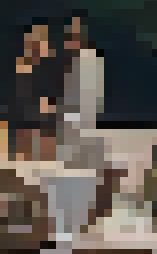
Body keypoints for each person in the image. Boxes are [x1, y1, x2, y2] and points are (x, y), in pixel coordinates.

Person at [11, 23, 64, 161]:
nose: (37, 44)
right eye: (33, 40)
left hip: (47, 124)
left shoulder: (54, 67)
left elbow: (56, 98)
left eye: (41, 40)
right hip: (25, 125)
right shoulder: (21, 68)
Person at [60, 13, 105, 166]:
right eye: (69, 36)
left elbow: (91, 100)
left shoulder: (91, 61)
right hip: (68, 124)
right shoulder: (66, 61)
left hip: (84, 124)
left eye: (75, 34)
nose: (71, 40)